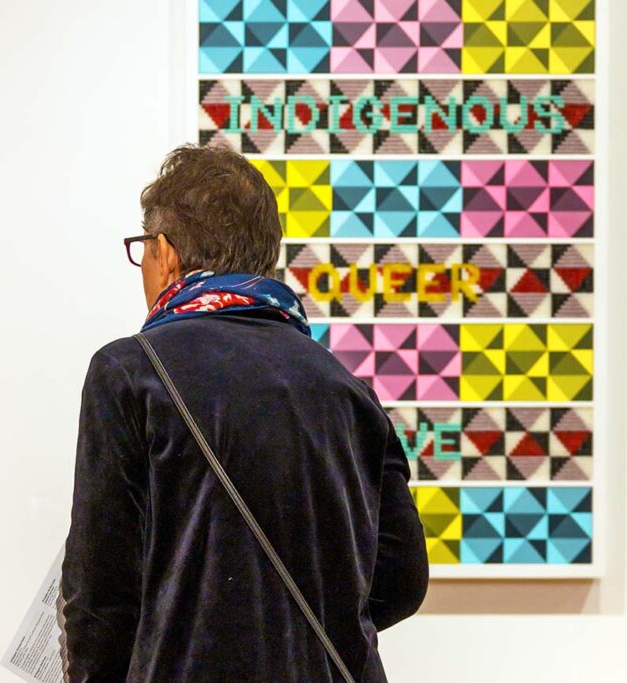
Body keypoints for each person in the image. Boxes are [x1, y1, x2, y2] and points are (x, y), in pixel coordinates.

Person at [59, 144, 429, 682]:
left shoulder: (130, 373)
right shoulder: (346, 388)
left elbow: (101, 595)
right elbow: (402, 576)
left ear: (165, 252)